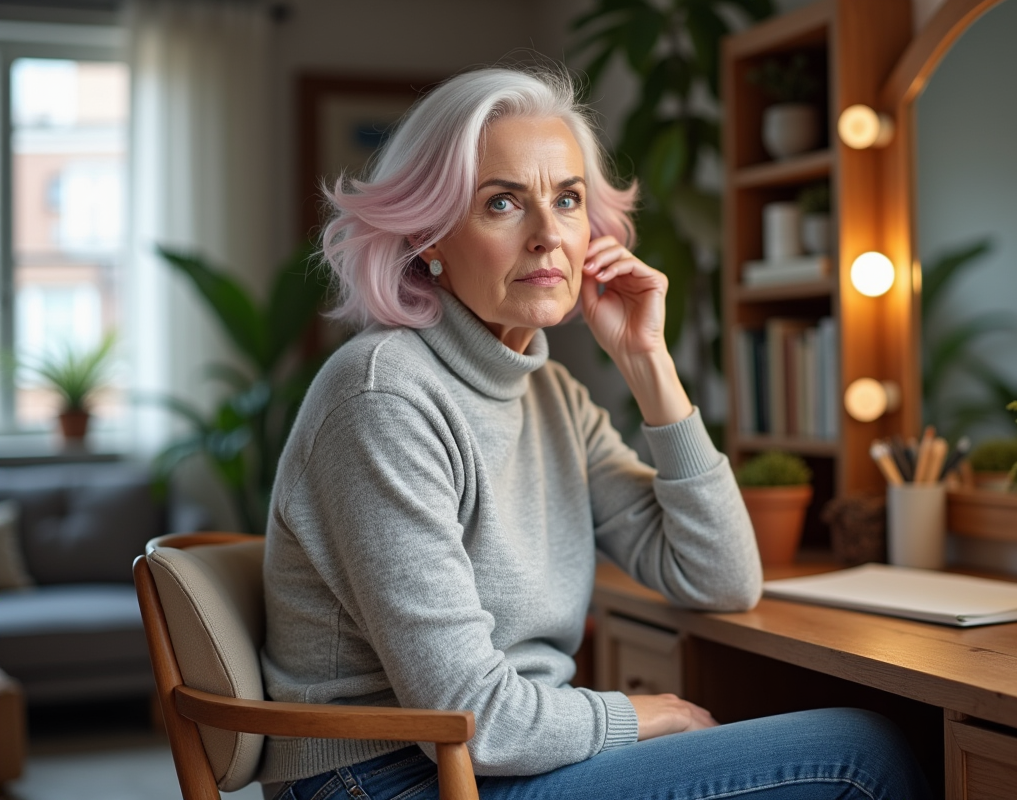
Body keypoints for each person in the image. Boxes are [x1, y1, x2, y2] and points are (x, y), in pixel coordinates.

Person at [259, 66, 931, 800]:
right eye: (503, 202)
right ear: (427, 238)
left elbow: (721, 579)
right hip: (385, 777)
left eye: (568, 200)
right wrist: (641, 715)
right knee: (861, 756)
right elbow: (475, 721)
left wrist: (649, 362)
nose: (548, 235)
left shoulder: (551, 394)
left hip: (493, 760)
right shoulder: (383, 396)